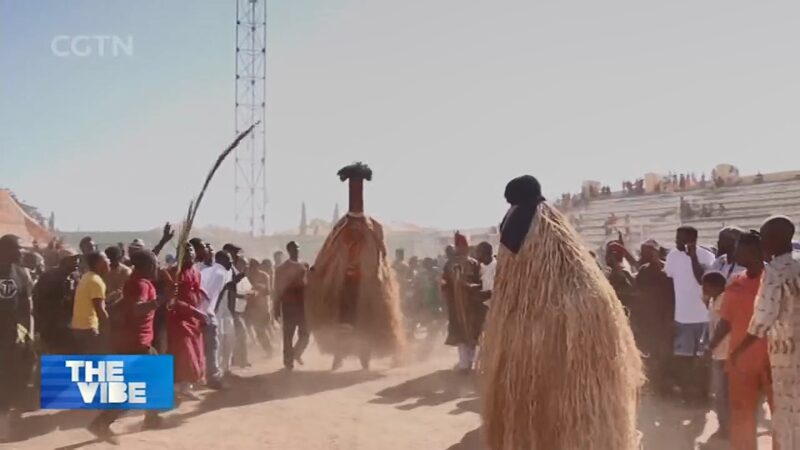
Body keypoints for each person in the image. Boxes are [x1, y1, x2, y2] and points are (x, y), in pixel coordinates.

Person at [480, 176, 642, 450]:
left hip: (549, 322)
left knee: (542, 397)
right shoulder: (556, 223)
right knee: (585, 398)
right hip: (594, 314)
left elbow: (511, 284)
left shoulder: (518, 222)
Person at [306, 162, 405, 371]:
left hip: (368, 285)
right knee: (343, 323)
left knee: (367, 324)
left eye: (358, 183)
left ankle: (364, 361)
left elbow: (382, 255)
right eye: (354, 183)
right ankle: (339, 358)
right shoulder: (342, 226)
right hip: (344, 285)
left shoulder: (373, 227)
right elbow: (328, 250)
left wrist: (378, 275)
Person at [731, 216, 800, 448]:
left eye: (764, 237)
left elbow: (762, 321)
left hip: (788, 357)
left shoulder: (775, 272)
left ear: (774, 239)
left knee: (790, 416)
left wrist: (738, 351)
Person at [87, 250, 165, 444]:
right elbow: (137, 309)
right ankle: (101, 423)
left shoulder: (136, 281)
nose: (157, 267)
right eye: (155, 263)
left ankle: (152, 417)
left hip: (135, 341)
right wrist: (160, 301)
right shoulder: (140, 284)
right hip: (136, 344)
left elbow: (125, 305)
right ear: (146, 267)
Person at [708, 231, 773, 450]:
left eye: (740, 249)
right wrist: (710, 346)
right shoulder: (736, 283)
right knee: (742, 419)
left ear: (755, 251)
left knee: (781, 416)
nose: (735, 253)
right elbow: (725, 322)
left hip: (773, 361)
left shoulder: (774, 280)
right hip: (741, 363)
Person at [665, 225, 716, 399]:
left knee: (702, 359)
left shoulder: (706, 256)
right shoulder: (672, 256)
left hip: (703, 317)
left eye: (680, 238)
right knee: (683, 358)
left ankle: (703, 393)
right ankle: (687, 392)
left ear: (691, 240)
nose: (676, 240)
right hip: (682, 317)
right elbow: (670, 283)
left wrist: (693, 256)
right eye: (676, 237)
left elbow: (702, 279)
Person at [0, 235, 34, 442]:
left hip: (11, 338)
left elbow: (26, 308)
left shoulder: (22, 274)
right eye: (18, 248)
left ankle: (4, 426)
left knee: (11, 379)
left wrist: (28, 335)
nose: (22, 252)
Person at [629, 239, 674, 394]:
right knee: (649, 352)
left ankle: (663, 385)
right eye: (644, 252)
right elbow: (638, 293)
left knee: (663, 353)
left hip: (663, 318)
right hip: (648, 319)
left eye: (649, 252)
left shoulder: (666, 270)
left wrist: (669, 319)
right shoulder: (643, 270)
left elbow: (672, 296)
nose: (646, 255)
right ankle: (653, 384)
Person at [166, 243, 206, 400]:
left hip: (193, 319)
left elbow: (197, 294)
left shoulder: (196, 273)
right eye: (185, 251)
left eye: (191, 251)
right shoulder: (173, 273)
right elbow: (172, 300)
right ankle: (176, 387)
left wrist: (200, 311)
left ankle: (185, 386)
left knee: (194, 351)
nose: (189, 254)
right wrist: (195, 311)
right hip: (178, 319)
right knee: (184, 351)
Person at [442, 232, 483, 373]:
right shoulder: (473, 263)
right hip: (470, 305)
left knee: (465, 334)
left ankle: (465, 364)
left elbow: (444, 286)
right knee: (469, 334)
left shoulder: (450, 264)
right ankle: (467, 363)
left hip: (461, 306)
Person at [701, 271, 730, 440]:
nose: (703, 289)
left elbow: (725, 326)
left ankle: (727, 429)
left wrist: (710, 347)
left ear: (716, 285)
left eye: (706, 285)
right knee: (720, 394)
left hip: (724, 353)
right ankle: (724, 426)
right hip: (718, 353)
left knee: (723, 394)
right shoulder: (713, 301)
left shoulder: (725, 300)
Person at [33, 253, 80, 354]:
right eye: (73, 259)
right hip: (51, 325)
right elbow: (37, 299)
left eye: (77, 259)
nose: (77, 262)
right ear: (64, 261)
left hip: (69, 324)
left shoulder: (75, 276)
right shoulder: (49, 276)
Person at [199, 251, 233, 390]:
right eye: (229, 260)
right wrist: (211, 313)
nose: (231, 262)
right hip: (206, 312)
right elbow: (211, 295)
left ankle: (202, 376)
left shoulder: (206, 271)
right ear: (223, 260)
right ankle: (213, 377)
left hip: (197, 311)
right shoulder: (221, 274)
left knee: (203, 346)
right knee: (212, 346)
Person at [275, 241, 309, 370]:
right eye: (294, 249)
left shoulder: (305, 265)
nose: (297, 250)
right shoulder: (281, 269)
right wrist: (276, 308)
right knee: (288, 336)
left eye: (298, 248)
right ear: (289, 250)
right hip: (288, 306)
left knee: (305, 335)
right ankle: (288, 362)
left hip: (303, 306)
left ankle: (296, 354)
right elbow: (277, 289)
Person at [71, 252, 111, 354]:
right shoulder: (96, 281)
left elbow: (91, 302)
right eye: (106, 259)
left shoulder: (86, 277)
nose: (109, 261)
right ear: (99, 263)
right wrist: (108, 330)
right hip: (89, 329)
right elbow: (100, 310)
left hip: (78, 327)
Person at [223, 243, 250, 369]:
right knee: (234, 335)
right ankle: (236, 361)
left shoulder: (233, 268)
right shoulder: (225, 269)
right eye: (234, 252)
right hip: (227, 308)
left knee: (238, 334)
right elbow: (230, 287)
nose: (236, 255)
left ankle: (239, 360)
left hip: (235, 307)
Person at [245, 258, 273, 357]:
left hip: (262, 308)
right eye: (250, 266)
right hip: (251, 308)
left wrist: (257, 288)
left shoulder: (264, 276)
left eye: (254, 266)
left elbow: (268, 291)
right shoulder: (247, 277)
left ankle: (270, 350)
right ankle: (269, 350)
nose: (252, 269)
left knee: (261, 331)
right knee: (259, 332)